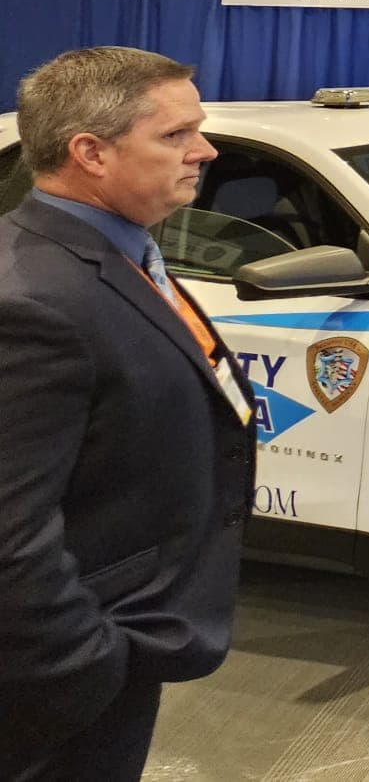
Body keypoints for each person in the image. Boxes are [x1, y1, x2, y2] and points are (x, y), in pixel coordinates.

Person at [0, 48, 254, 782]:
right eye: (175, 135)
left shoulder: (124, 252)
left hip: (126, 637)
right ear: (91, 153)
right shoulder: (31, 304)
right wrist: (91, 665)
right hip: (58, 687)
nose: (204, 150)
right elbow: (9, 536)